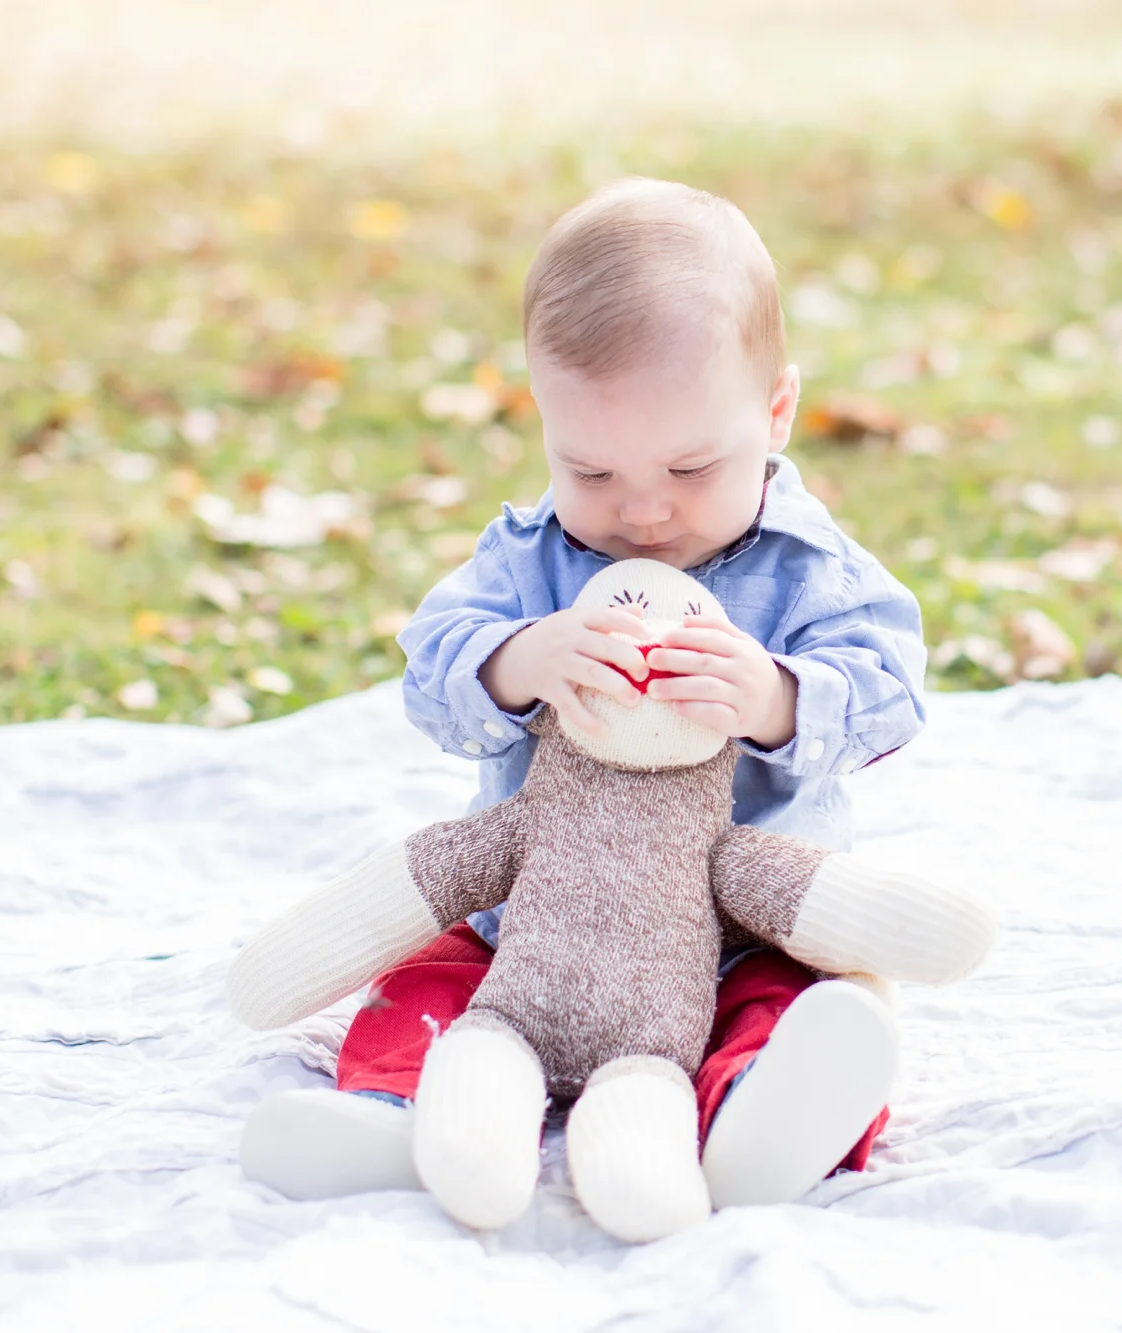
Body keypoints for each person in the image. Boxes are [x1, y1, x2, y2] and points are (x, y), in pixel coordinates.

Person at [239, 177, 931, 1212]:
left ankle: (756, 1119)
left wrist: (779, 696)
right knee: (431, 977)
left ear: (776, 410)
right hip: (533, 920)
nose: (642, 510)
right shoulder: (525, 560)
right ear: (544, 424)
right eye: (590, 471)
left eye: (690, 466)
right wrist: (518, 659)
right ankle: (393, 1114)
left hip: (744, 916)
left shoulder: (808, 571)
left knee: (801, 1002)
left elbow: (891, 698)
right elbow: (429, 671)